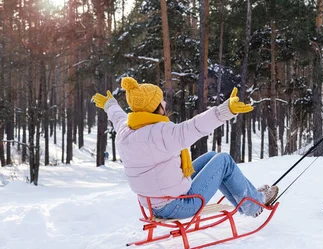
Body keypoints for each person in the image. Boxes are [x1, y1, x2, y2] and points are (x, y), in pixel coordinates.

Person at [92, 77, 278, 219]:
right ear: (155, 108)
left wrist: (110, 105)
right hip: (177, 206)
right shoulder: (161, 133)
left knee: (212, 156)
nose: (164, 104)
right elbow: (195, 126)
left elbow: (118, 117)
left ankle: (248, 198)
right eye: (161, 101)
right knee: (224, 161)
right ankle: (254, 204)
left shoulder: (127, 130)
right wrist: (225, 111)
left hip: (153, 204)